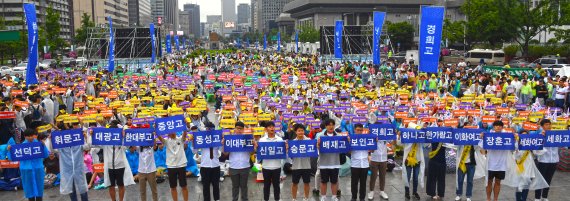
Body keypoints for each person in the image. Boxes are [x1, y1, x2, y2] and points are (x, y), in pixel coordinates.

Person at [93, 121, 135, 201]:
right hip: (109, 167)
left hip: (120, 166)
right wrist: (92, 135)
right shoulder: (106, 142)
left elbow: (128, 145)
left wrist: (124, 136)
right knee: (111, 186)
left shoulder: (121, 141)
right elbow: (95, 144)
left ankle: (121, 200)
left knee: (121, 185)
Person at [51, 122, 89, 201]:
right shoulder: (61, 146)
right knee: (71, 189)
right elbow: (53, 149)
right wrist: (51, 139)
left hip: (79, 168)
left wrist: (86, 137)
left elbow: (87, 147)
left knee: (83, 188)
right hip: (67, 170)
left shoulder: (79, 143)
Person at [8, 128, 49, 201]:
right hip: (26, 171)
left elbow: (46, 155)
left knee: (39, 189)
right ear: (25, 136)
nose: (30, 137)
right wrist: (9, 150)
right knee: (29, 190)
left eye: (31, 135)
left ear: (34, 135)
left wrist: (44, 146)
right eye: (28, 136)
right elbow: (12, 158)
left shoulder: (39, 144)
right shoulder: (21, 147)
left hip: (38, 169)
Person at [480, 120, 510, 201]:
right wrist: (482, 137)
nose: (498, 127)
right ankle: (488, 198)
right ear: (493, 127)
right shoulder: (489, 135)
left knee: (498, 182)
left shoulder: (507, 136)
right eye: (496, 125)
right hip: (490, 164)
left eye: (500, 125)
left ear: (502, 127)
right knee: (489, 182)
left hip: (501, 164)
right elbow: (482, 148)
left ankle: (495, 199)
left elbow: (514, 147)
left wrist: (516, 138)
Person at [255, 121, 284, 201]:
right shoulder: (262, 140)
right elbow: (259, 153)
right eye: (270, 127)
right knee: (266, 186)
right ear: (266, 129)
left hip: (277, 166)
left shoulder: (279, 139)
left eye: (273, 126)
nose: (272, 128)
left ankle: (277, 199)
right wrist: (256, 148)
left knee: (276, 186)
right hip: (266, 167)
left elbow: (282, 152)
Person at [157, 129, 189, 201]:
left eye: (173, 131)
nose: (171, 133)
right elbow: (160, 138)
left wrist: (184, 125)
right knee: (173, 186)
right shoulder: (166, 141)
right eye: (170, 131)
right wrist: (156, 130)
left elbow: (184, 134)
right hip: (171, 166)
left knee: (184, 186)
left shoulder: (180, 139)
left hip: (181, 164)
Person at [194, 123, 222, 201]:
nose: (208, 131)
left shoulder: (217, 139)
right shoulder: (201, 139)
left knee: (216, 185)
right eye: (207, 129)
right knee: (205, 186)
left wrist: (223, 141)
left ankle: (217, 199)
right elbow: (194, 151)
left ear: (214, 130)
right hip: (205, 166)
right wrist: (194, 142)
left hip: (215, 165)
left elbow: (222, 151)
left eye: (210, 129)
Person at [316, 119, 341, 201]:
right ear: (326, 126)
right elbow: (317, 149)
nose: (331, 126)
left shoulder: (338, 136)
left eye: (332, 125)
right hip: (324, 163)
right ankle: (323, 196)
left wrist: (346, 141)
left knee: (334, 181)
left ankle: (334, 196)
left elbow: (343, 148)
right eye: (329, 125)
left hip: (335, 162)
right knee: (323, 181)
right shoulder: (320, 136)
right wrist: (318, 145)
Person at [534, 119, 559, 201]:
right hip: (543, 161)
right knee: (540, 179)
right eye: (546, 125)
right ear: (542, 126)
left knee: (549, 179)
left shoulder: (556, 135)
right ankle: (537, 197)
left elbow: (562, 144)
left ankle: (545, 196)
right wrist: (543, 139)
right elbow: (536, 151)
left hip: (554, 160)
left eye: (549, 124)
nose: (548, 126)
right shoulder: (539, 136)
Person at [225, 122, 251, 201]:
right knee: (235, 186)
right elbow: (225, 153)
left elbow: (252, 152)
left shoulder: (247, 139)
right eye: (237, 128)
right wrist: (224, 145)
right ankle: (234, 199)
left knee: (244, 186)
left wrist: (254, 145)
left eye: (241, 129)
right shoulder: (230, 140)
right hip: (234, 166)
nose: (239, 130)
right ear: (234, 129)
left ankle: (245, 199)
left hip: (245, 166)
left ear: (243, 130)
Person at [399, 122, 425, 200]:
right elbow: (399, 143)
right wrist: (399, 136)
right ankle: (407, 192)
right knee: (407, 176)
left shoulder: (419, 137)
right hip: (408, 160)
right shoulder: (407, 137)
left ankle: (415, 192)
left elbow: (426, 144)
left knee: (416, 177)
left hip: (417, 160)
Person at [368, 123, 390, 200]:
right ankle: (371, 191)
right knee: (373, 176)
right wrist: (374, 140)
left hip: (383, 158)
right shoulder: (371, 135)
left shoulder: (386, 134)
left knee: (382, 176)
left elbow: (393, 142)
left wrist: (394, 133)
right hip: (374, 158)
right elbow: (370, 148)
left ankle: (382, 191)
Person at [290, 123, 311, 201]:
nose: (301, 132)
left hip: (307, 165)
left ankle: (306, 198)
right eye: (299, 131)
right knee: (294, 183)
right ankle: (294, 198)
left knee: (307, 183)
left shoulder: (309, 141)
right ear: (296, 132)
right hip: (296, 166)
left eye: (302, 130)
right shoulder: (292, 142)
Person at [350, 124, 369, 201]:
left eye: (361, 130)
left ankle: (362, 198)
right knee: (354, 182)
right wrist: (348, 143)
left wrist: (375, 142)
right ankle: (354, 197)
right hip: (355, 163)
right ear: (355, 130)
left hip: (364, 163)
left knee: (363, 183)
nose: (359, 132)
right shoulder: (351, 138)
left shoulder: (367, 138)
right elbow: (348, 151)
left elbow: (372, 150)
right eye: (358, 130)